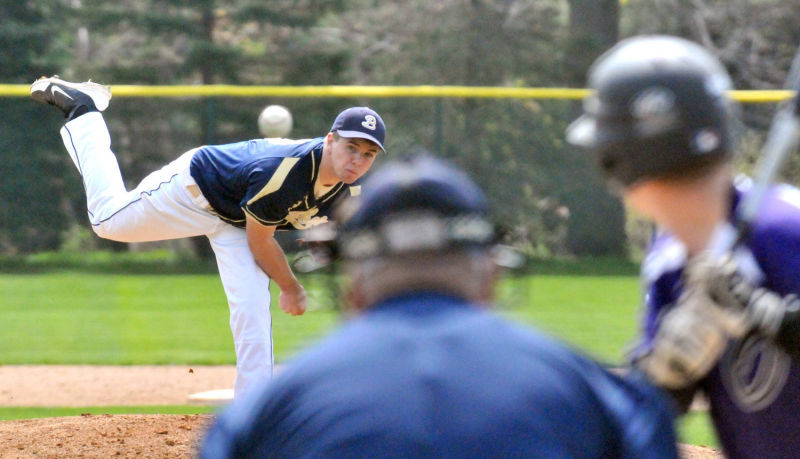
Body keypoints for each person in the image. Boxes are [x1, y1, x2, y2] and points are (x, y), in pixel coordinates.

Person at [200, 153, 679, 458]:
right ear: (491, 274)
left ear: (352, 287)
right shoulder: (594, 394)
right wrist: (665, 384)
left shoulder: (266, 414)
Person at [30, 75, 386, 400]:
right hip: (195, 189)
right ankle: (83, 111)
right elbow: (261, 242)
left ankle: (253, 402)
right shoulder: (285, 173)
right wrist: (291, 287)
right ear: (330, 140)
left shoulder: (355, 191)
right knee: (107, 221)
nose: (358, 159)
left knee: (251, 306)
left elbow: (345, 234)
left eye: (368, 154)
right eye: (351, 147)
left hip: (237, 219)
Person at [567, 34, 800, 458]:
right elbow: (649, 416)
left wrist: (769, 317)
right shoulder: (671, 263)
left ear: (621, 162)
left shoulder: (785, 229)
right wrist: (667, 376)